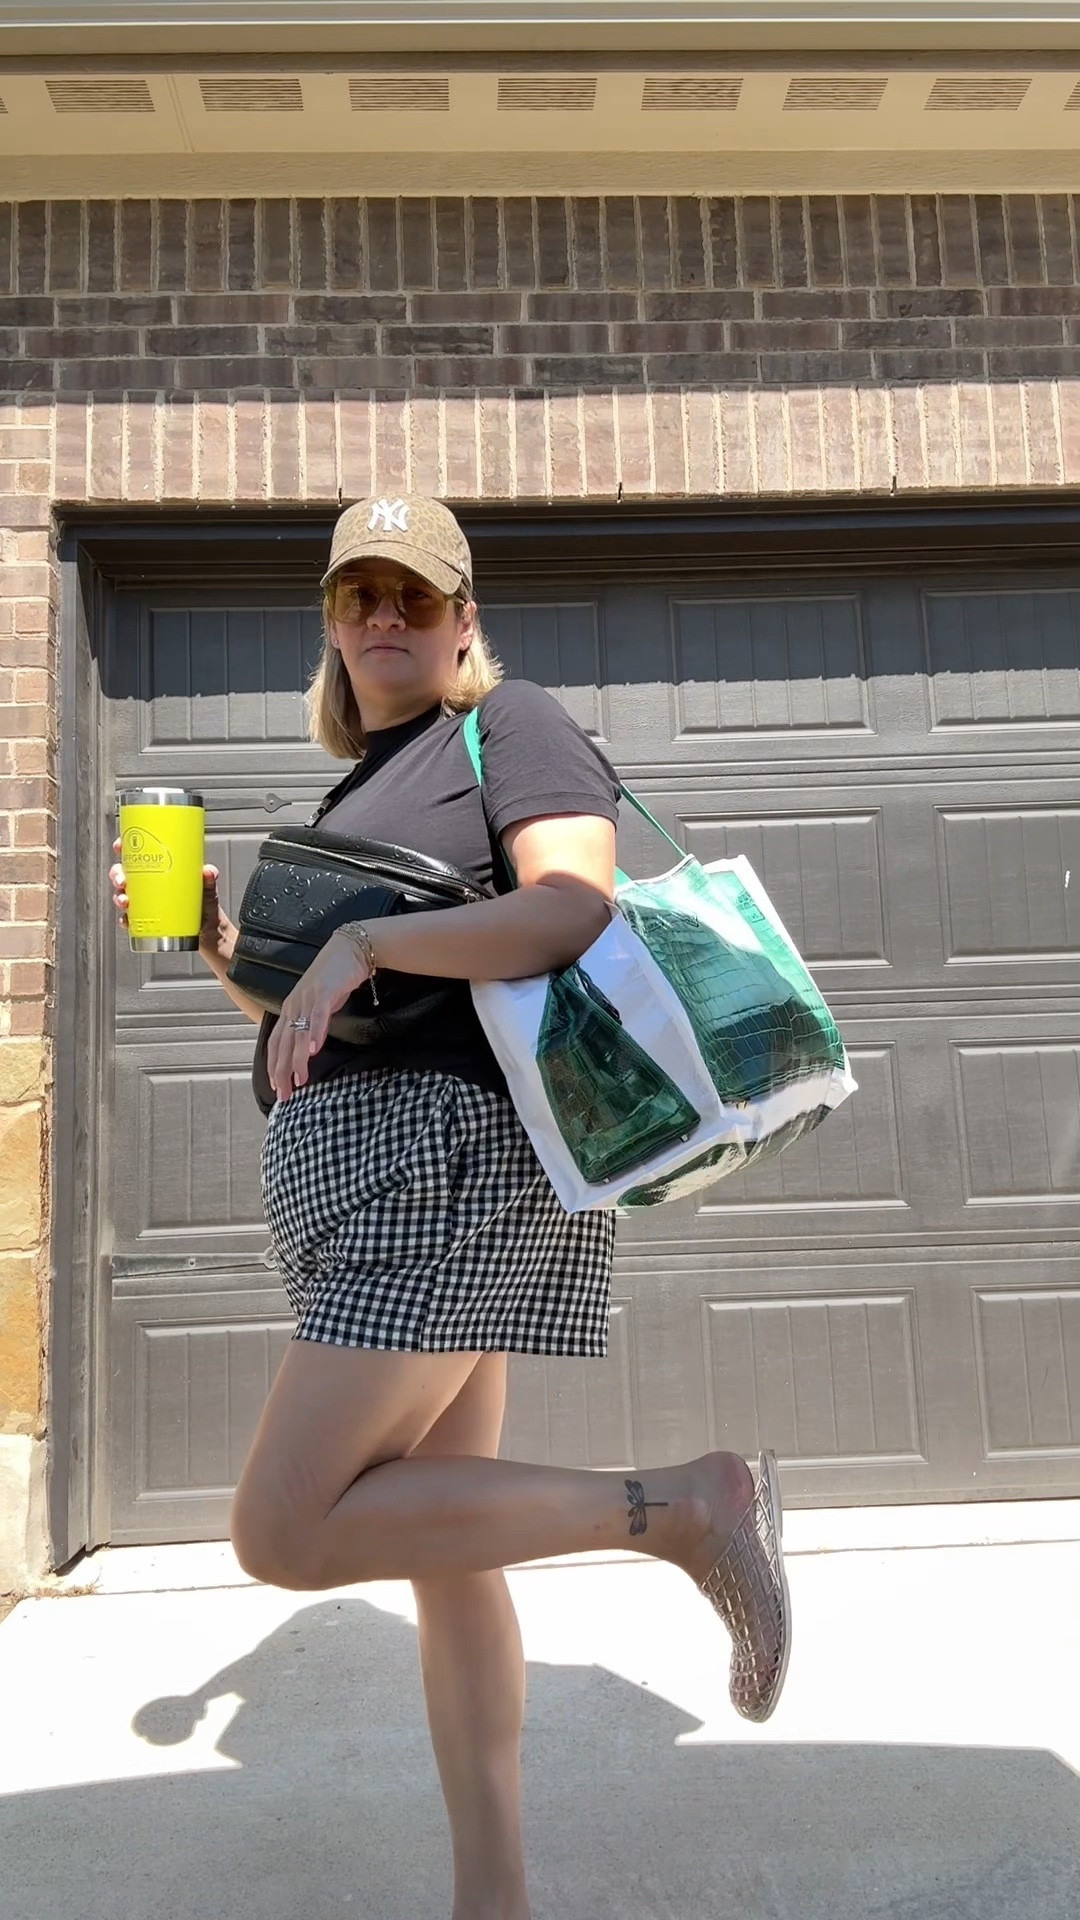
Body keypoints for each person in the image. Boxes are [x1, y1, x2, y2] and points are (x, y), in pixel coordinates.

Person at [111, 493, 790, 1920]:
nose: (384, 619)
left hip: (447, 1163)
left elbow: (569, 910)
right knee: (448, 1551)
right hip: (369, 1162)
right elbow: (338, 1018)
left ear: (463, 620)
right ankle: (496, 1897)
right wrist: (237, 949)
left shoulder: (513, 724)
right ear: (333, 628)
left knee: (286, 1531)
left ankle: (680, 1506)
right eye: (359, 596)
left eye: (415, 597)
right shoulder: (364, 788)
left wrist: (359, 934)